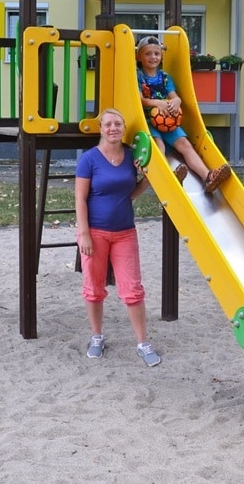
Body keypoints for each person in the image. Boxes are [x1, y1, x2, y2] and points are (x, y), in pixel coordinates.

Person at [75, 108, 161, 367]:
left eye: (118, 124)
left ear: (124, 129)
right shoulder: (89, 159)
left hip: (125, 232)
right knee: (93, 288)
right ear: (101, 128)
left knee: (133, 289)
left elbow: (129, 193)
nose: (113, 128)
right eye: (108, 124)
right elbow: (80, 198)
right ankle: (97, 337)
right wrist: (85, 235)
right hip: (95, 233)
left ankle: (143, 343)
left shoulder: (131, 156)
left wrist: (145, 180)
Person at [135, 35, 232, 193]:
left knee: (185, 145)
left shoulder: (165, 77)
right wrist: (158, 103)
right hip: (148, 120)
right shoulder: (138, 76)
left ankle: (208, 177)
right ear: (139, 56)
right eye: (148, 54)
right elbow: (140, 100)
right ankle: (168, 176)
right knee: (158, 146)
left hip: (168, 120)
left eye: (156, 53)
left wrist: (177, 101)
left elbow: (174, 97)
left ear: (161, 56)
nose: (153, 57)